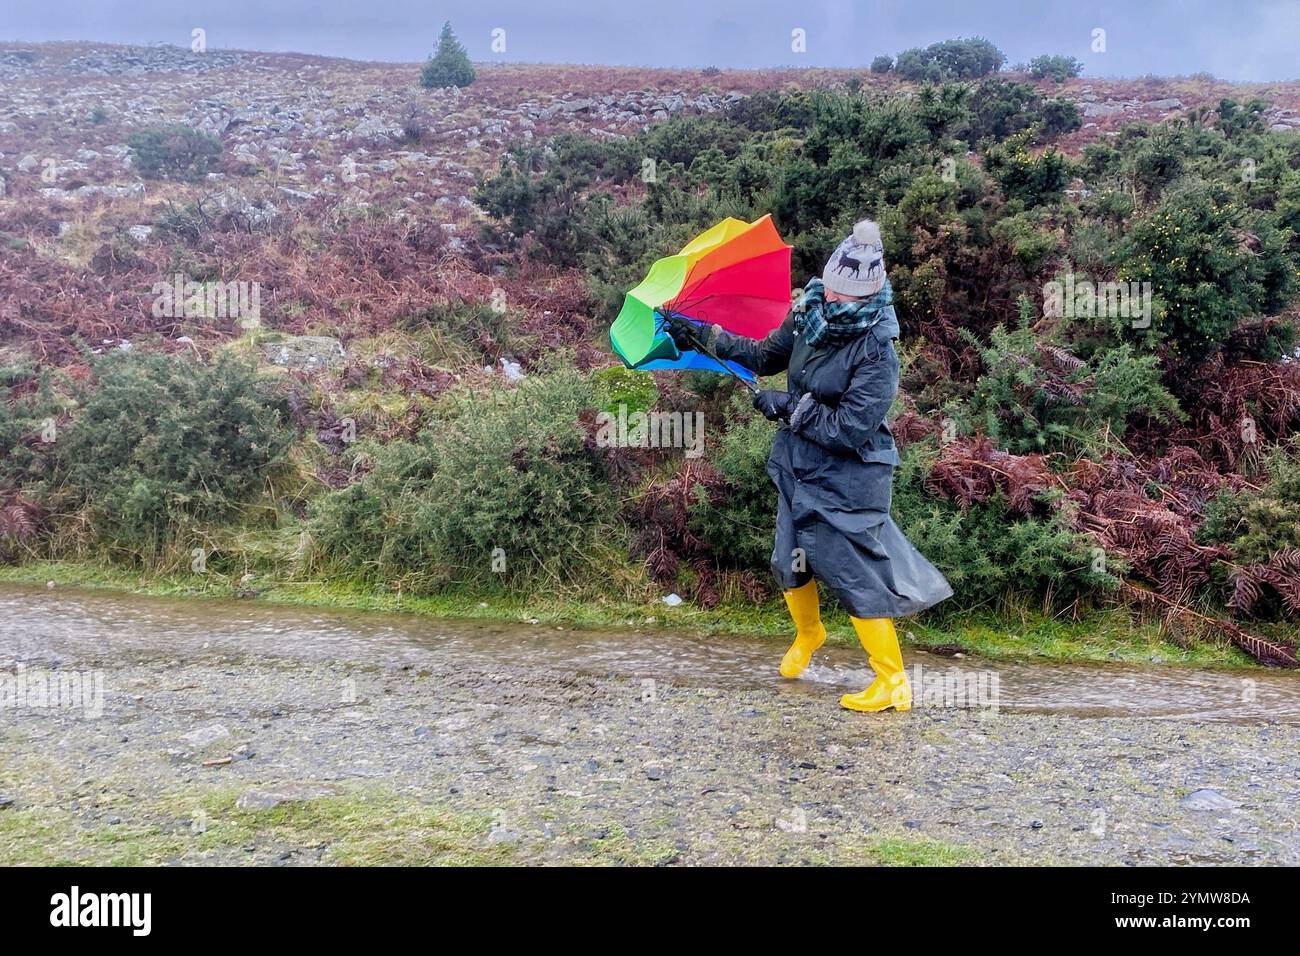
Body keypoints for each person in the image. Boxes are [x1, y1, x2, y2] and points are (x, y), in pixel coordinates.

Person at [665, 219, 952, 712]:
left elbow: (849, 428)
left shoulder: (877, 350)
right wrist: (700, 334)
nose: (834, 301)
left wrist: (789, 408)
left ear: (870, 295)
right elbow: (762, 354)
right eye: (833, 290)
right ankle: (810, 633)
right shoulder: (808, 315)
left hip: (851, 475)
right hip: (798, 464)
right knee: (788, 559)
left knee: (852, 573)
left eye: (846, 297)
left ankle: (893, 683)